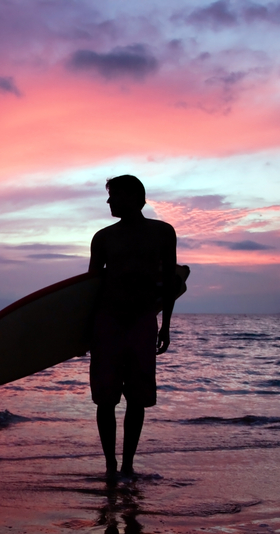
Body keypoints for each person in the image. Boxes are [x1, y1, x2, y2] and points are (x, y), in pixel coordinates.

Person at [88, 175, 177, 480]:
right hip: (106, 323)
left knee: (137, 398)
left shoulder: (163, 232)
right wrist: (84, 332)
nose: (110, 202)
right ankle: (110, 465)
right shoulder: (103, 237)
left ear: (134, 197)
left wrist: (165, 325)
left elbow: (169, 283)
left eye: (114, 195)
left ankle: (127, 465)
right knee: (105, 398)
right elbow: (90, 290)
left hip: (142, 323)